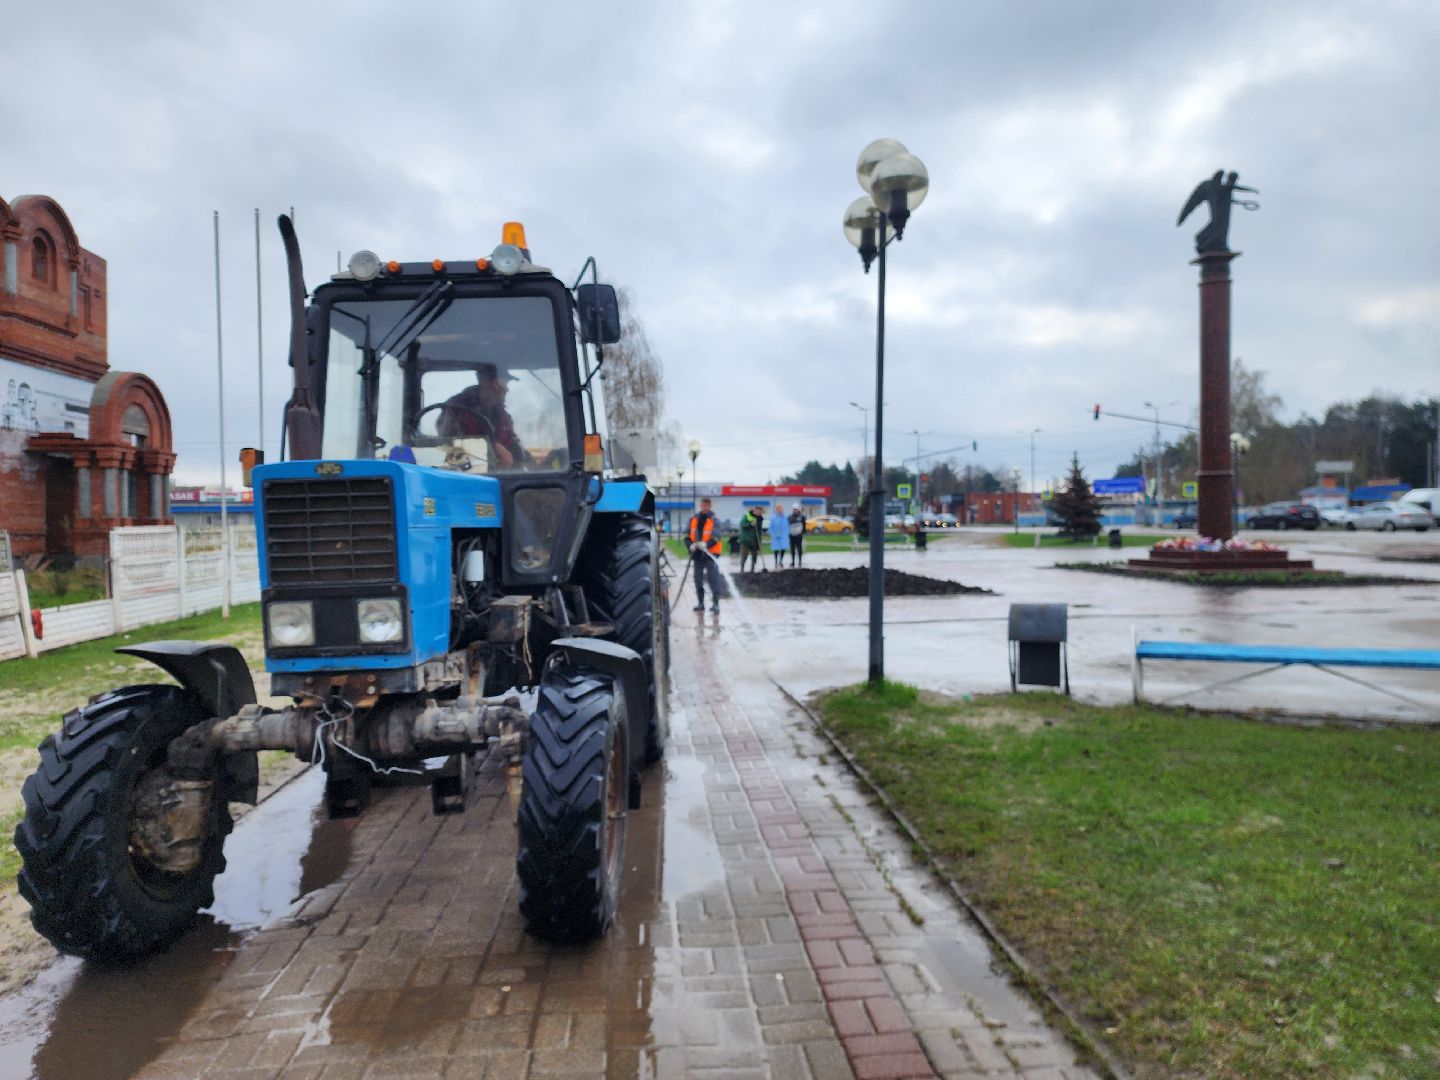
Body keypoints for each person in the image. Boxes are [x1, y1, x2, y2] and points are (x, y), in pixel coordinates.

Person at [437, 362, 525, 468]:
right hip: (468, 473)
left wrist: (530, 465)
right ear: (488, 383)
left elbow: (513, 444)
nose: (506, 389)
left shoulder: (501, 413)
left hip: (501, 472)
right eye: (503, 383)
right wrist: (492, 449)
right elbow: (447, 446)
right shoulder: (456, 409)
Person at [688, 497, 723, 612]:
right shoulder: (693, 519)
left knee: (713, 579)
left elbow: (717, 537)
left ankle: (715, 604)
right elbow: (687, 535)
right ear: (701, 506)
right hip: (697, 555)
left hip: (711, 555)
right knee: (698, 580)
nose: (706, 508)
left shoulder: (715, 520)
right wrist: (690, 545)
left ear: (710, 506)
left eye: (708, 506)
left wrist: (706, 544)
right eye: (704, 505)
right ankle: (701, 604)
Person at [738, 506, 762, 572]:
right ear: (754, 511)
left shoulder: (760, 518)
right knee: (744, 555)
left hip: (755, 541)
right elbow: (742, 524)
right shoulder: (747, 516)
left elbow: (759, 530)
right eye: (757, 511)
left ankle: (752, 569)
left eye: (759, 512)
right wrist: (750, 524)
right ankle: (742, 569)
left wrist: (759, 542)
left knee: (754, 556)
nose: (758, 513)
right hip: (746, 540)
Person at [769, 502, 789, 569]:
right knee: (776, 549)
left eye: (781, 509)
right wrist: (773, 534)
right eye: (779, 509)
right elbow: (771, 527)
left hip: (783, 536)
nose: (781, 510)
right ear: (777, 509)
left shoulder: (784, 517)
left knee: (783, 549)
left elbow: (787, 526)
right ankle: (776, 561)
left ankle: (781, 561)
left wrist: (786, 534)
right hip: (776, 536)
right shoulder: (773, 518)